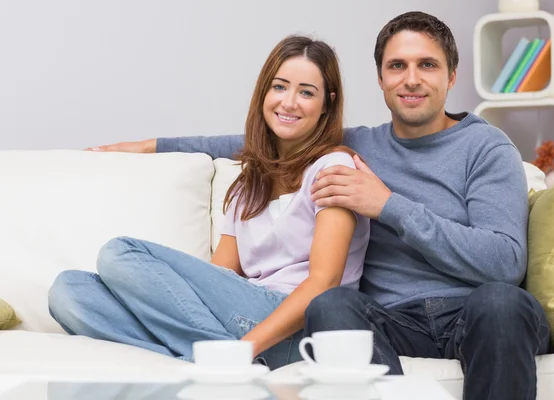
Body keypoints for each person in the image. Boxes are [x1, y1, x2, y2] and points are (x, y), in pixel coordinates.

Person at [86, 11, 550, 400]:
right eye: (397, 66)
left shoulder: (487, 148)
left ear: (451, 75)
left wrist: (388, 205)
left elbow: (503, 263)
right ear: (381, 79)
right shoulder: (355, 143)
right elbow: (258, 138)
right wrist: (148, 146)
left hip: (475, 310)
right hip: (391, 319)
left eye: (427, 65)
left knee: (500, 301)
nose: (411, 79)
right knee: (332, 305)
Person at [47, 35, 370, 370]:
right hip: (239, 316)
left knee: (118, 253)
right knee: (69, 291)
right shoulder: (248, 185)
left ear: (327, 104)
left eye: (306, 92)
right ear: (263, 92)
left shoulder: (333, 170)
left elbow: (324, 284)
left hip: (295, 328)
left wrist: (244, 349)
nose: (289, 102)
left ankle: (226, 359)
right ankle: (205, 360)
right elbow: (220, 274)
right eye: (279, 87)